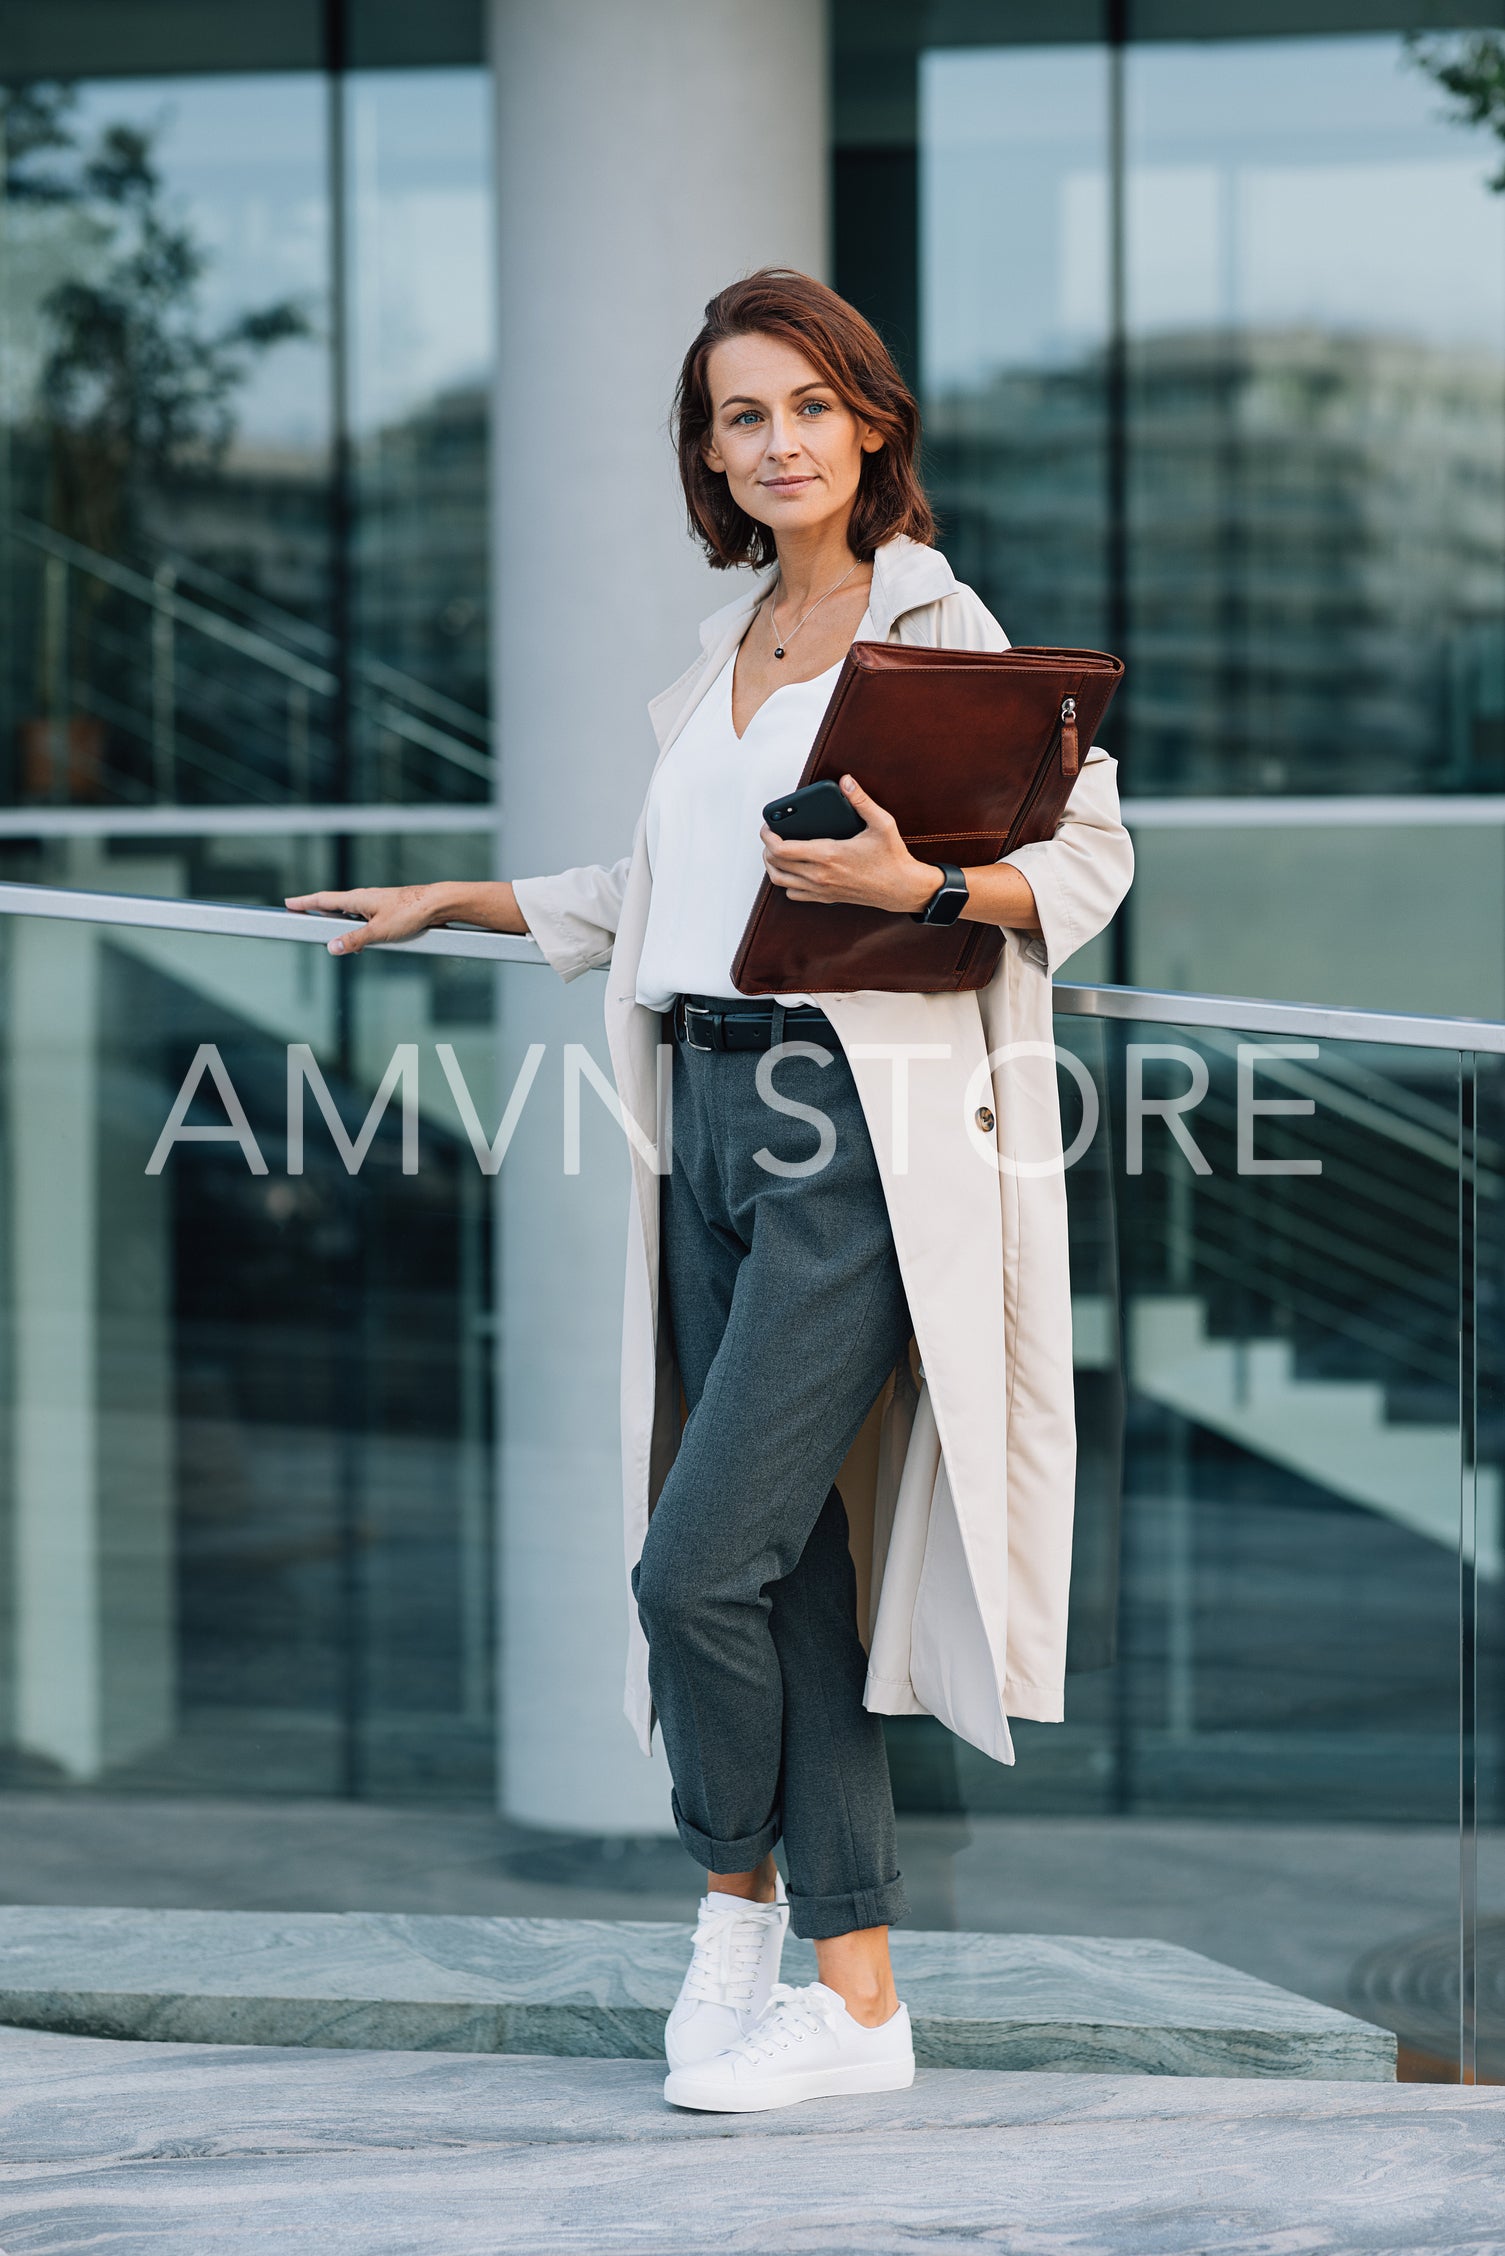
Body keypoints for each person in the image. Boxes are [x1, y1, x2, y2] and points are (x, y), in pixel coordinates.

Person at [288, 269, 1134, 2115]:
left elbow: (1082, 863)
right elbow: (666, 888)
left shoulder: (930, 621)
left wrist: (914, 892)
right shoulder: (731, 641)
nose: (775, 443)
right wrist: (459, 898)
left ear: (871, 426)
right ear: (710, 449)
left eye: (806, 409)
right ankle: (857, 2000)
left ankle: (733, 1909)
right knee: (790, 1569)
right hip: (703, 1123)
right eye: (739, 416)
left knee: (693, 1568)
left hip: (852, 1138)